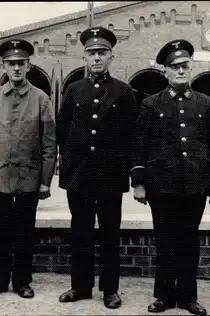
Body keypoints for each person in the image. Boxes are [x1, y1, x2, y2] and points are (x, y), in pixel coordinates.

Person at [131, 39, 210, 316]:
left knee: (188, 240)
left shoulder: (206, 103)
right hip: (161, 185)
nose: (181, 71)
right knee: (164, 240)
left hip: (195, 184)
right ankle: (163, 296)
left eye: (185, 65)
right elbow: (140, 145)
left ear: (191, 67)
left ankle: (188, 297)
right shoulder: (151, 104)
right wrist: (139, 182)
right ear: (165, 72)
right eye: (175, 67)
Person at [56, 26, 138, 309]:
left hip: (109, 176)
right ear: (84, 57)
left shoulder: (123, 91)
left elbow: (131, 135)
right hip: (78, 175)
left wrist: (123, 170)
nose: (96, 58)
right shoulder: (74, 89)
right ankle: (79, 286)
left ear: (111, 56)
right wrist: (70, 161)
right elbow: (62, 130)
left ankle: (110, 289)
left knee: (109, 234)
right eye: (91, 53)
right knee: (80, 231)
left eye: (102, 53)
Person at [0, 39, 57, 299]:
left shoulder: (41, 99)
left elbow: (48, 143)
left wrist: (45, 181)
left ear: (29, 65)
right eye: (11, 64)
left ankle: (22, 281)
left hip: (28, 178)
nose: (16, 68)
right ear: (4, 66)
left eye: (21, 63)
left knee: (24, 233)